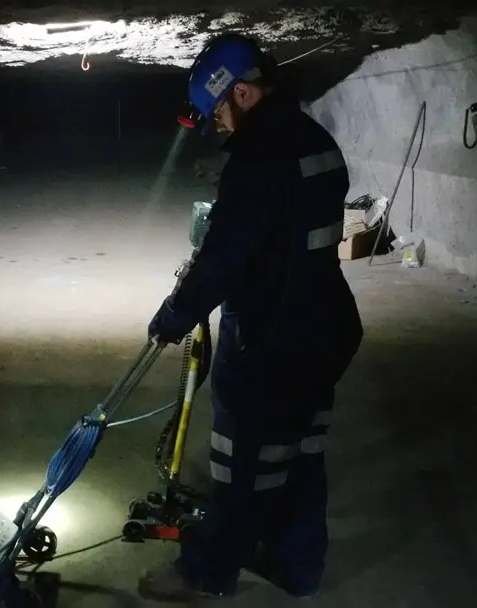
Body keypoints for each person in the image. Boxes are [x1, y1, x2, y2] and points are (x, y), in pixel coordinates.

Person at [140, 33, 364, 601]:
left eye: (219, 111)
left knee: (242, 465)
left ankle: (204, 573)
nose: (219, 125)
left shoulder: (258, 157)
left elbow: (225, 257)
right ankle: (298, 566)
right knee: (301, 453)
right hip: (325, 328)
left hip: (272, 336)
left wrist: (175, 313)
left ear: (241, 92)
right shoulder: (316, 140)